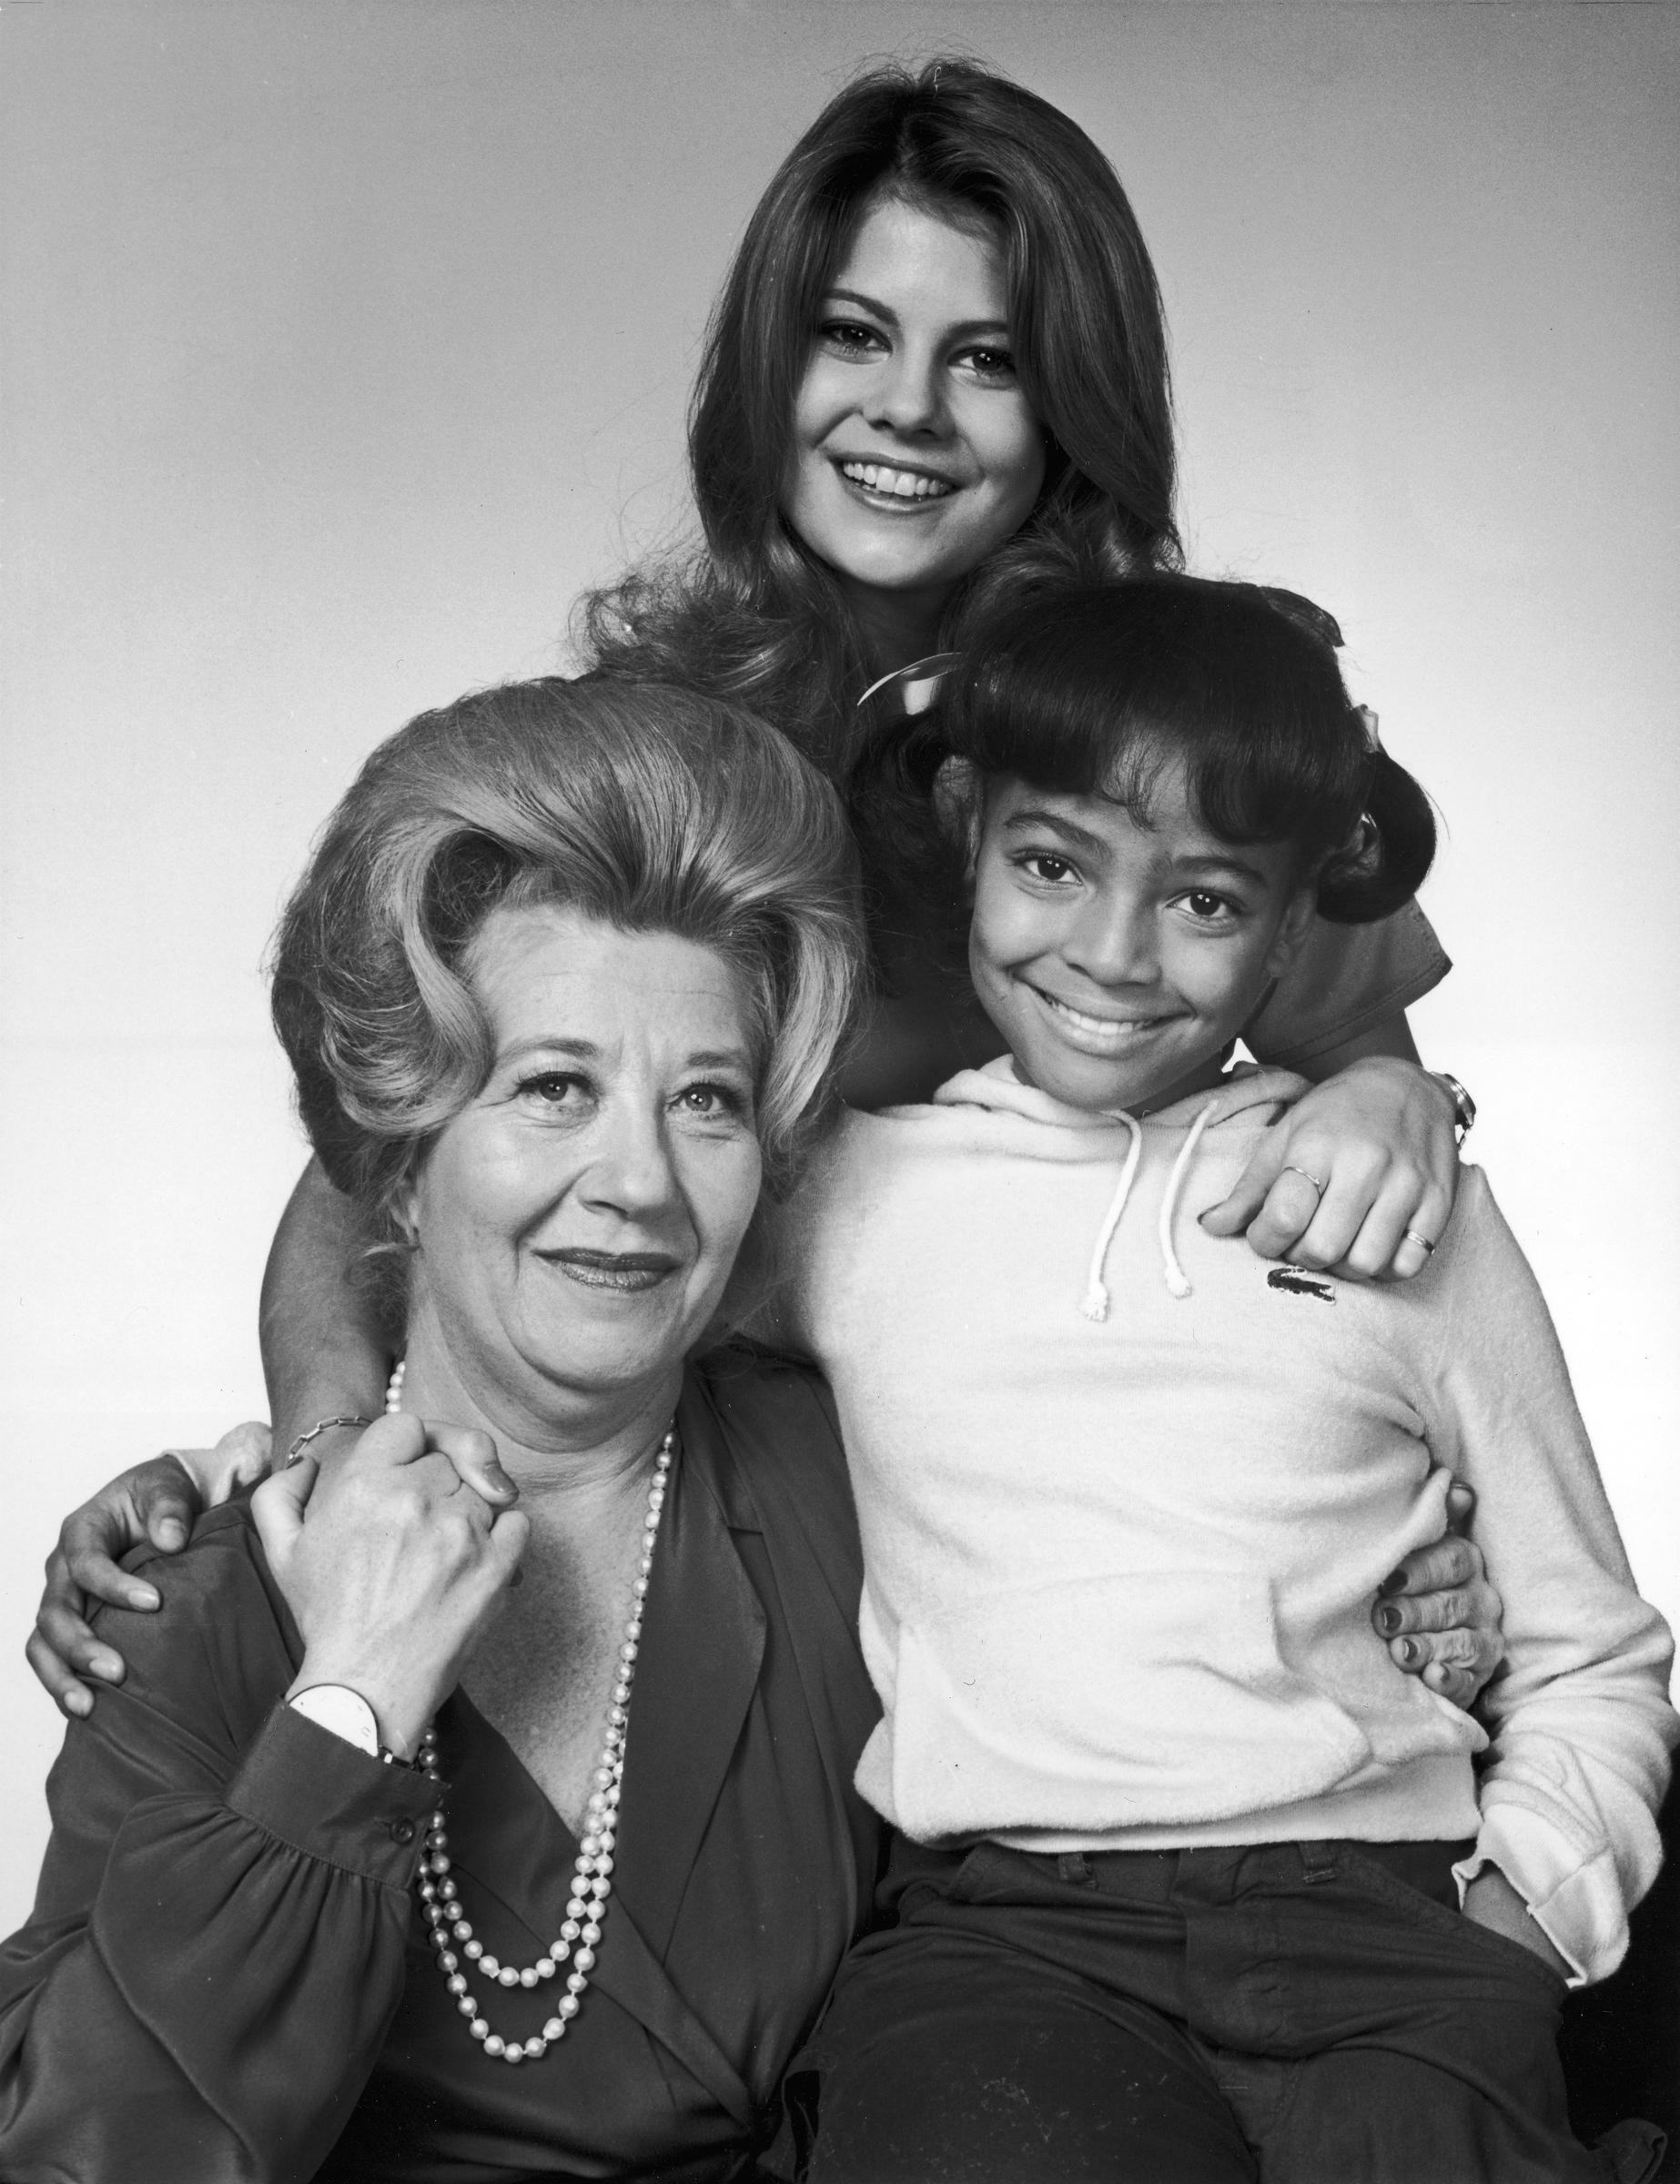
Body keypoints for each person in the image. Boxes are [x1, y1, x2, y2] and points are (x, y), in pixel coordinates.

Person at [31, 56, 1487, 1723]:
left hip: (1099, 1590)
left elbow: (1371, 1126)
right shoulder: (655, 759)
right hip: (727, 1563)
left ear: (1075, 407)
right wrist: (309, 1498)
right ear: (769, 365)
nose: (907, 412)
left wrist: (1400, 1204)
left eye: (991, 360)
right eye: (852, 335)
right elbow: (373, 1177)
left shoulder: (1186, 728)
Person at [754, 578, 1675, 2184]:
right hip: (1009, 1937)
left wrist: (1529, 1906)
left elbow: (1588, 1647)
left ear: (1294, 918)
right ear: (965, 829)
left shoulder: (1396, 1205)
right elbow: (555, 1315)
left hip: (1387, 1933)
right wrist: (275, 1461)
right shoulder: (841, 1201)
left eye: (1200, 902)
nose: (1110, 957)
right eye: (1050, 867)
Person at [0, 679, 887, 2180]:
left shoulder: (863, 1486)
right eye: (554, 1089)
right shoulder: (199, 1600)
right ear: (398, 1166)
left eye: (708, 1103)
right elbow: (89, 2156)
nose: (641, 1184)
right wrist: (342, 1709)